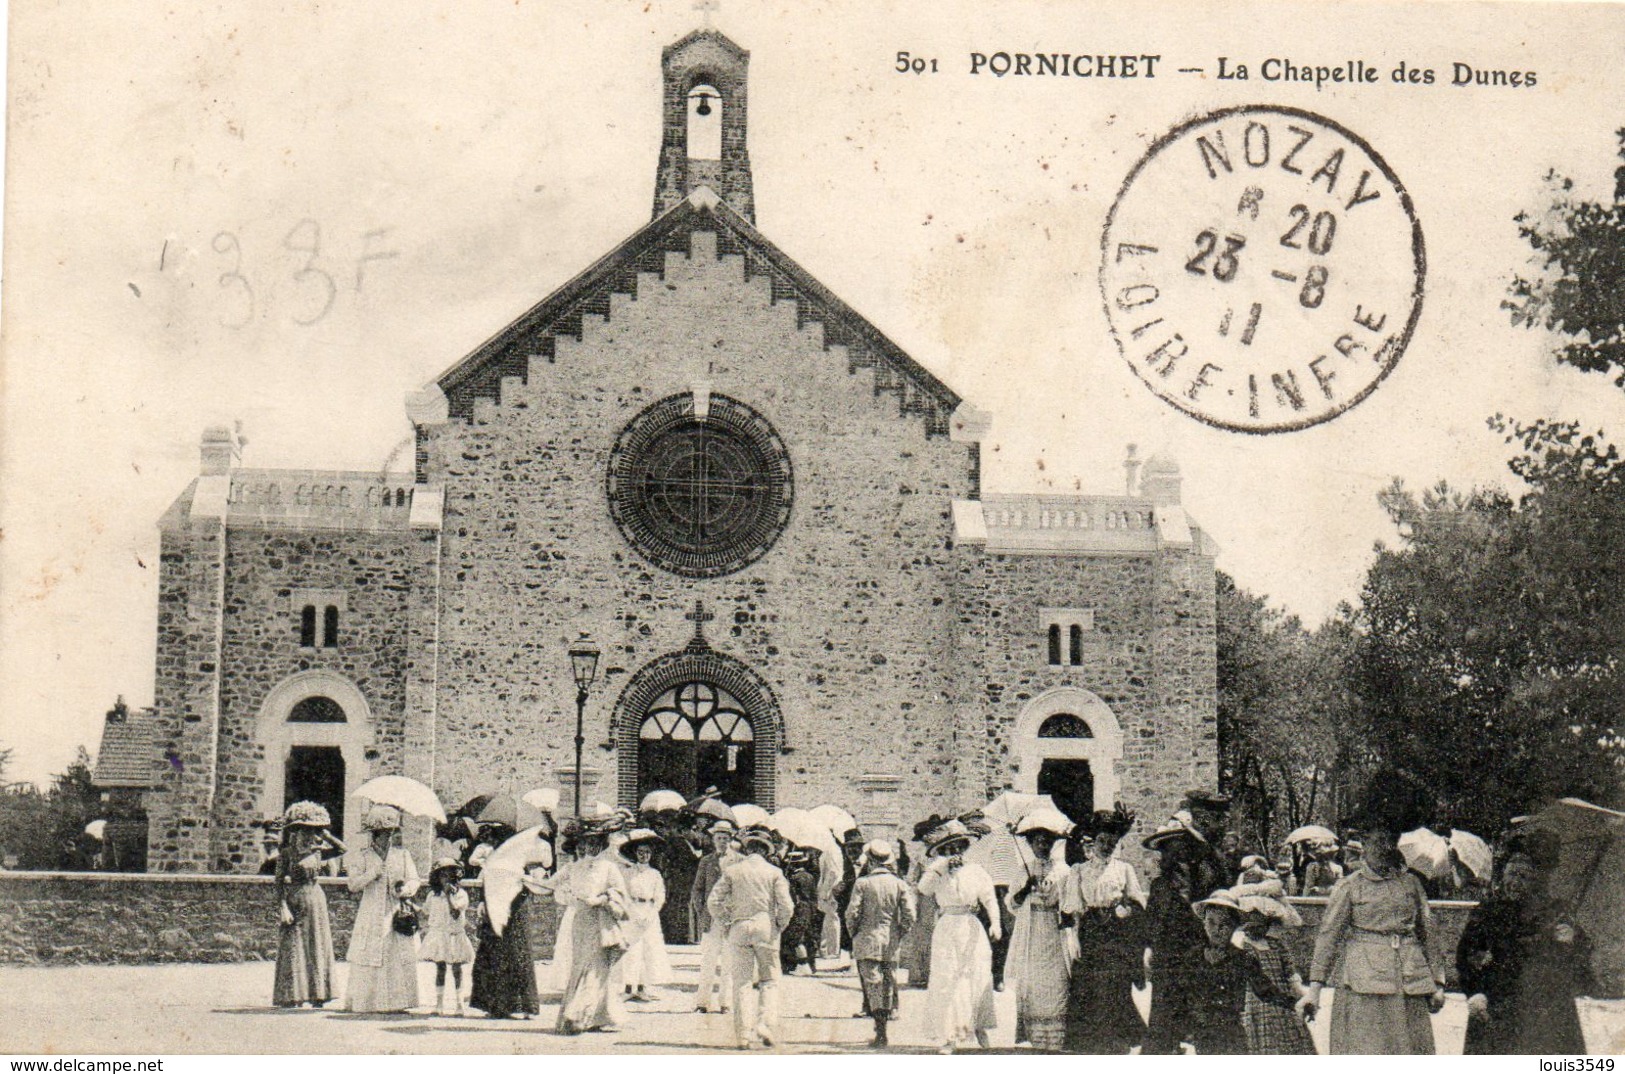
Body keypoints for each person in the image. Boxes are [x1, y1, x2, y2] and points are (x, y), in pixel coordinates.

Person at [1298, 770, 1445, 1055]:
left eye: (1389, 842)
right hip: (1364, 982)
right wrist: (1314, 989)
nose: (1384, 848)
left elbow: (1429, 933)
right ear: (1364, 845)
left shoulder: (1412, 884)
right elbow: (1328, 938)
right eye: (1377, 842)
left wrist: (1438, 982)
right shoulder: (1350, 887)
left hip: (1408, 980)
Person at [1457, 829, 1594, 1054]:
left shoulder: (1555, 911)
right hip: (1497, 1003)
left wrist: (1572, 940)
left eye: (1523, 876)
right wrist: (1475, 992)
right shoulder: (1488, 911)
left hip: (1546, 1007)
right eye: (1511, 874)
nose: (1514, 882)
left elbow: (1582, 962)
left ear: (1535, 881)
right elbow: (1467, 954)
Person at [1060, 805, 1148, 1054]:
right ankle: (1090, 1043)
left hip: (1116, 931)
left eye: (1111, 842)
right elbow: (1072, 909)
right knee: (1089, 985)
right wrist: (1073, 937)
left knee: (1115, 983)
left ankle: (1115, 1041)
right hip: (1090, 931)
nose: (1106, 846)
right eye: (1102, 840)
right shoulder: (1079, 870)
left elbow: (1137, 902)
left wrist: (1126, 909)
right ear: (1093, 841)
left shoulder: (1124, 869)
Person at [917, 818, 1000, 1054]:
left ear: (965, 848)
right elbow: (923, 889)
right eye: (949, 849)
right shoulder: (937, 872)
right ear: (942, 851)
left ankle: (978, 1026)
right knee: (948, 979)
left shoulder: (976, 871)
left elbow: (989, 898)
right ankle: (950, 1036)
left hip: (971, 927)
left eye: (959, 847)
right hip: (947, 928)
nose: (955, 853)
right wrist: (941, 866)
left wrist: (995, 923)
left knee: (976, 976)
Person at [708, 827, 795, 1049]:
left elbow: (714, 901)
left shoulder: (733, 871)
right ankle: (765, 1024)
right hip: (766, 926)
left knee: (741, 982)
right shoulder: (775, 872)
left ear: (747, 848)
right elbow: (786, 906)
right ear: (766, 850)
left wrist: (727, 922)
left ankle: (743, 1036)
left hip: (739, 926)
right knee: (770, 980)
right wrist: (779, 925)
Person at [1187, 890, 1300, 1053]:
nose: (1217, 929)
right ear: (1203, 922)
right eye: (1211, 922)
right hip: (1203, 1033)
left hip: (1232, 1032)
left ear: (1234, 927)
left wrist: (1295, 1004)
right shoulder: (1193, 957)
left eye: (1224, 924)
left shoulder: (1242, 959)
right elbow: (1180, 993)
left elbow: (1266, 991)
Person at [554, 817, 633, 1034]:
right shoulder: (573, 867)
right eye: (588, 842)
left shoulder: (609, 867)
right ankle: (585, 1016)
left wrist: (602, 899)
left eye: (596, 842)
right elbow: (550, 884)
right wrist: (522, 878)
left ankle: (588, 1016)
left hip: (601, 922)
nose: (591, 846)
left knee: (597, 968)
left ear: (602, 844)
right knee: (581, 965)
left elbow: (620, 894)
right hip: (581, 921)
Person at [343, 805, 422, 1013]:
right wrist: (372, 873)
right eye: (382, 834)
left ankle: (397, 1002)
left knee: (395, 953)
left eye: (390, 833)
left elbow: (415, 879)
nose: (387, 839)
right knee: (371, 951)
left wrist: (406, 888)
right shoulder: (363, 856)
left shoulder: (402, 855)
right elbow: (353, 885)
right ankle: (368, 1001)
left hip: (395, 910)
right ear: (374, 835)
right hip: (370, 911)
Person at [1141, 813, 1209, 1053]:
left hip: (1196, 954)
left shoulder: (1201, 881)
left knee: (1200, 1016)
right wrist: (1150, 948)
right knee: (1163, 1016)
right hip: (1168, 958)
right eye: (1169, 850)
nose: (1176, 854)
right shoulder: (1159, 886)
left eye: (1181, 848)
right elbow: (1152, 920)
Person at [1004, 812, 1071, 1050]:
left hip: (1054, 932)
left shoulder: (1063, 871)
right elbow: (1011, 904)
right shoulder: (1024, 870)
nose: (1042, 845)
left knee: (1056, 980)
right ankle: (1035, 1037)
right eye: (1037, 841)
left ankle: (1055, 1037)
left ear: (1053, 844)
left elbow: (1070, 903)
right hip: (1032, 933)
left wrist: (1061, 906)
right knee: (1032, 981)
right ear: (1030, 844)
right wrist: (1025, 889)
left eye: (1047, 841)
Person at [843, 840, 916, 1047]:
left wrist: (854, 933)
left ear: (872, 861)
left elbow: (852, 913)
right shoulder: (899, 883)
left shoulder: (863, 883)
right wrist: (901, 932)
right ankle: (886, 1020)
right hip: (891, 939)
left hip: (867, 938)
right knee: (889, 981)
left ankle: (880, 1028)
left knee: (872, 983)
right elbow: (910, 913)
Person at [468, 822, 543, 1020]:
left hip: (515, 912)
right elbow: (487, 885)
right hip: (496, 911)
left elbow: (531, 885)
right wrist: (483, 903)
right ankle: (496, 1005)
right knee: (495, 957)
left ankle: (525, 1006)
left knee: (517, 956)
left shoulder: (521, 861)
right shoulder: (494, 861)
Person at [272, 801, 342, 1008]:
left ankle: (318, 994)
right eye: (304, 830)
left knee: (317, 944)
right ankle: (293, 994)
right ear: (295, 831)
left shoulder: (318, 852)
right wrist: (282, 907)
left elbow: (342, 848)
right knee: (295, 946)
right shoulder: (286, 854)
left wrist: (326, 834)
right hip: (295, 899)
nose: (308, 834)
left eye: (312, 830)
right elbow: (277, 884)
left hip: (316, 899)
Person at [1232, 883, 1316, 1054]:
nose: (1254, 925)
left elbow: (1291, 976)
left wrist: (1303, 997)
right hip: (1254, 1005)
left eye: (1261, 921)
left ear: (1269, 921)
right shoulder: (1240, 947)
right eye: (1249, 919)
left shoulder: (1277, 945)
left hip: (1283, 1004)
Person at [691, 819, 739, 1012]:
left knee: (729, 961)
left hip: (731, 917)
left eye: (725, 838)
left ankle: (725, 1002)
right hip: (711, 919)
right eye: (718, 838)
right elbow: (697, 889)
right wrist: (702, 911)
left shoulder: (739, 860)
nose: (722, 842)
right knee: (708, 960)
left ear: (731, 839)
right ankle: (702, 1002)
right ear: (713, 840)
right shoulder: (706, 861)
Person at [619, 828, 672, 1003]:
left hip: (649, 913)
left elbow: (660, 896)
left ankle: (642, 987)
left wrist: (651, 913)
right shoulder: (627, 873)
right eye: (641, 852)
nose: (644, 856)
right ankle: (628, 987)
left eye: (647, 852)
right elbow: (624, 894)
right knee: (631, 950)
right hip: (632, 912)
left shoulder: (655, 874)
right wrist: (632, 912)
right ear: (635, 853)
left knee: (647, 951)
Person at [420, 857, 474, 1015]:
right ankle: (439, 1004)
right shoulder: (433, 895)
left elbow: (456, 913)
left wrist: (450, 896)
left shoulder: (461, 894)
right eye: (442, 875)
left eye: (449, 875)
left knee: (457, 969)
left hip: (454, 935)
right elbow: (426, 911)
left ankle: (459, 1004)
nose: (445, 879)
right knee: (440, 968)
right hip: (439, 936)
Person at [780, 848, 822, 974]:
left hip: (799, 909)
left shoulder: (794, 878)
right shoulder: (810, 876)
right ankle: (811, 964)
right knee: (808, 936)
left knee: (795, 938)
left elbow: (792, 897)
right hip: (811, 908)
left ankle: (800, 965)